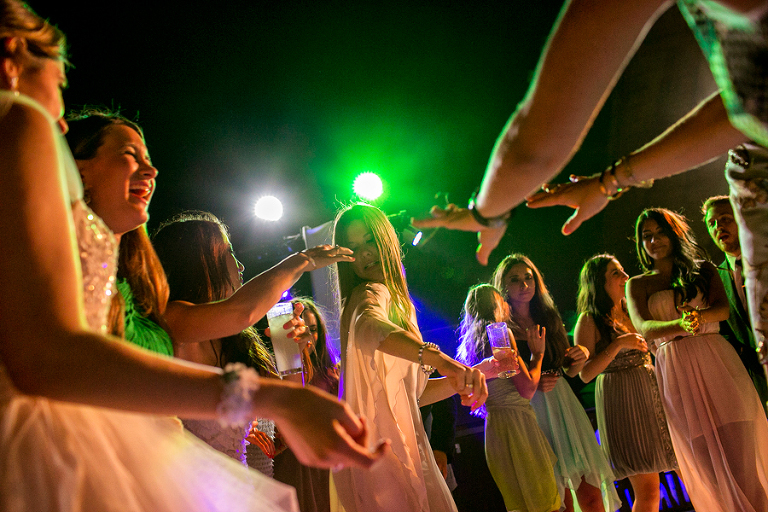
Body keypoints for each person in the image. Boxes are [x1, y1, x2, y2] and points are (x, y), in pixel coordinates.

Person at [0, 3, 383, 510]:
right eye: (59, 84)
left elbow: (239, 314)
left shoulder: (139, 295)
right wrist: (272, 397)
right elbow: (48, 355)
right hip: (64, 440)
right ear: (13, 57)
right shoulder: (22, 120)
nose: (62, 120)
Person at [330, 203, 488, 512]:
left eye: (369, 240)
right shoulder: (368, 294)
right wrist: (439, 359)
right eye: (353, 248)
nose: (364, 253)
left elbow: (413, 395)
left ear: (386, 238)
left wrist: (481, 371)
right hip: (384, 457)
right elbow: (370, 325)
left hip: (406, 447)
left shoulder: (398, 302)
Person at [626, 207, 768, 511]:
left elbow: (722, 310)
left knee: (744, 467)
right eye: (647, 236)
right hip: (676, 372)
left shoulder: (703, 269)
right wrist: (681, 324)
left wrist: (698, 318)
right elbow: (644, 327)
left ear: (674, 233)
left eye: (660, 233)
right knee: (710, 473)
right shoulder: (637, 283)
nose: (654, 241)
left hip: (715, 360)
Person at [151, 212, 283, 476]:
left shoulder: (236, 339)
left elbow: (282, 417)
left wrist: (293, 353)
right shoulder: (173, 321)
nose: (240, 266)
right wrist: (301, 261)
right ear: (199, 263)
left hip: (243, 483)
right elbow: (244, 312)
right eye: (229, 253)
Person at [492, 254, 621, 512]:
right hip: (532, 408)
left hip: (562, 404)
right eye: (515, 279)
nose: (524, 284)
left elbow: (570, 371)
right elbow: (506, 376)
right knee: (560, 499)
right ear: (502, 287)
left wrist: (581, 355)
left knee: (591, 495)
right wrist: (535, 378)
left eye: (528, 278)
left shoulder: (548, 317)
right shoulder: (500, 328)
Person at [575, 254, 677, 512]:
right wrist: (618, 344)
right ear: (598, 282)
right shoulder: (589, 319)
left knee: (684, 468)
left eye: (622, 271)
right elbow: (585, 374)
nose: (625, 276)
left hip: (651, 395)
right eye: (615, 273)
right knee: (648, 490)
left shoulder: (632, 311)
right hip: (623, 402)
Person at [457, 283, 561, 512]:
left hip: (495, 430)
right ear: (495, 306)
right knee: (544, 502)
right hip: (517, 425)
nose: (506, 304)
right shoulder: (500, 333)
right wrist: (537, 355)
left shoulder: (471, 344)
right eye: (501, 300)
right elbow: (527, 388)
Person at [272, 298, 340, 512]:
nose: (307, 335)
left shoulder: (331, 374)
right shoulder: (277, 369)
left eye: (313, 329)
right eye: (302, 327)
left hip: (322, 461)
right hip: (288, 460)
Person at [702, 195, 768, 413]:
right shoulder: (715, 279)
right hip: (758, 379)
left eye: (725, 219)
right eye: (712, 223)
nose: (718, 227)